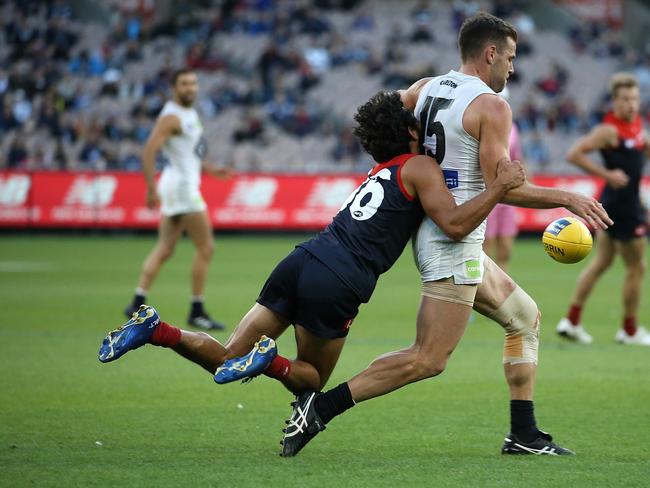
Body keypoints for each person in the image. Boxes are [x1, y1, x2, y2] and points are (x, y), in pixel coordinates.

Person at [276, 12, 612, 458]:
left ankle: (523, 435)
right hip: (455, 239)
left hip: (441, 230)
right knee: (427, 358)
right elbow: (504, 186)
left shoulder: (424, 88)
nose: (512, 68)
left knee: (524, 319)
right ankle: (320, 409)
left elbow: (379, 118)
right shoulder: (493, 106)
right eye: (509, 58)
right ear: (489, 53)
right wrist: (568, 198)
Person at [99, 91, 525, 410]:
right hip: (340, 278)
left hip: (302, 259)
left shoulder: (378, 171)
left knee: (228, 357)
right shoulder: (420, 167)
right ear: (412, 132)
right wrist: (500, 187)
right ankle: (269, 362)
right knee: (312, 381)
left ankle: (157, 330)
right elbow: (452, 224)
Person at [123, 69, 232, 331]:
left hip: (176, 183)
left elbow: (189, 154)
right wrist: (149, 188)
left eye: (193, 83)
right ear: (174, 87)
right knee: (206, 248)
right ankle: (197, 310)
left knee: (165, 248)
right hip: (182, 187)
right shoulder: (171, 116)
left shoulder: (189, 114)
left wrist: (211, 169)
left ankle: (136, 301)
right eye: (184, 84)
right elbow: (149, 151)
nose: (191, 88)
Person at [556, 73, 649, 345]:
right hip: (622, 206)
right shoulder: (609, 130)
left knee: (602, 263)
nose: (630, 104)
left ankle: (571, 321)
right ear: (614, 101)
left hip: (618, 203)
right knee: (637, 267)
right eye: (624, 99)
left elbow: (639, 152)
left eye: (634, 98)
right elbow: (573, 153)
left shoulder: (637, 128)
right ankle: (629, 330)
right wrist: (606, 174)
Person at [483, 87, 523, 273]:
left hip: (508, 194)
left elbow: (517, 157)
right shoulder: (482, 125)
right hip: (488, 192)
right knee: (485, 249)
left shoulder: (512, 128)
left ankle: (501, 292)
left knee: (505, 250)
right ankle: (483, 294)